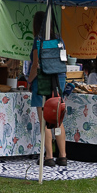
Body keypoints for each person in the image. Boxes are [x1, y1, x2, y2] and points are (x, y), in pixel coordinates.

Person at [28, 11, 67, 167]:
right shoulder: (59, 39)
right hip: (59, 79)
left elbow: (35, 65)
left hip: (43, 80)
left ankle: (49, 157)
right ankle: (63, 156)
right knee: (57, 118)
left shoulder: (38, 40)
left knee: (45, 120)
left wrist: (29, 81)